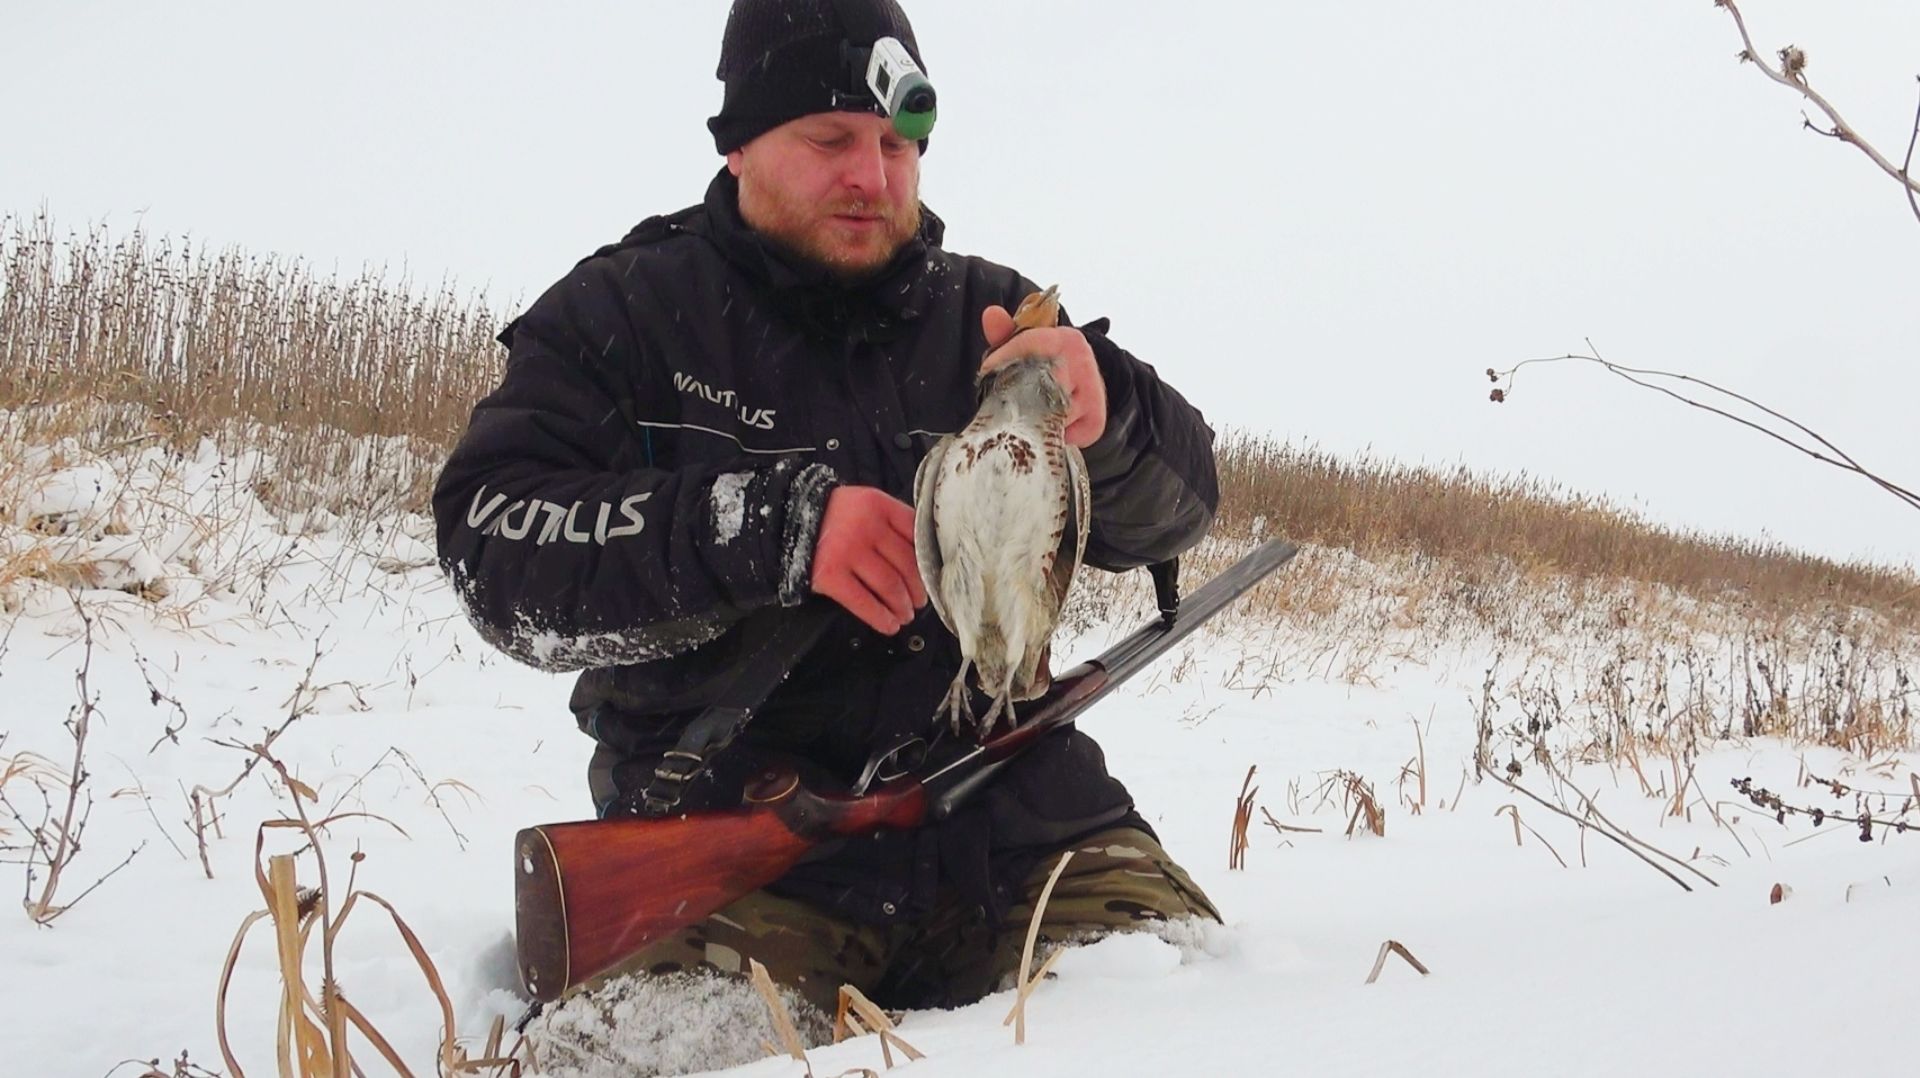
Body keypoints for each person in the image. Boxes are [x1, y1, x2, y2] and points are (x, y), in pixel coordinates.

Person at [433, 0, 1221, 1066]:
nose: (871, 177)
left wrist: (1110, 411)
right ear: (738, 142)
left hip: (1024, 829)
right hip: (748, 863)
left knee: (1204, 1023)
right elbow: (493, 545)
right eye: (830, 138)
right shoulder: (624, 315)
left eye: (898, 147)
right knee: (615, 1060)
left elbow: (1182, 507)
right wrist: (776, 531)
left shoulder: (998, 322)